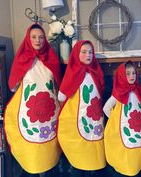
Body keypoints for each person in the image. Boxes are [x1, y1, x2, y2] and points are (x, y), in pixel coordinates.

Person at [4, 23, 62, 175]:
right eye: (34, 37)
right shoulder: (22, 59)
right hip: (30, 112)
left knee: (48, 146)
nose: (38, 40)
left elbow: (57, 84)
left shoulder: (51, 58)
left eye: (41, 37)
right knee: (32, 149)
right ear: (28, 39)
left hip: (50, 111)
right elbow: (13, 86)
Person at [57, 40, 106, 173]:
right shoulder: (73, 72)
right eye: (83, 52)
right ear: (77, 53)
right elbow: (61, 96)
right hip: (76, 118)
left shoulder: (96, 72)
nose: (88, 55)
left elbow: (101, 91)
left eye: (90, 52)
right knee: (79, 153)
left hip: (94, 117)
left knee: (94, 150)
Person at [103, 61, 141, 176]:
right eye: (128, 73)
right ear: (121, 75)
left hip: (136, 129)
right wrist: (115, 120)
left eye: (133, 73)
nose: (132, 76)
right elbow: (106, 108)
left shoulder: (138, 90)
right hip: (123, 128)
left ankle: (136, 168)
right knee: (125, 151)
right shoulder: (118, 93)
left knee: (136, 150)